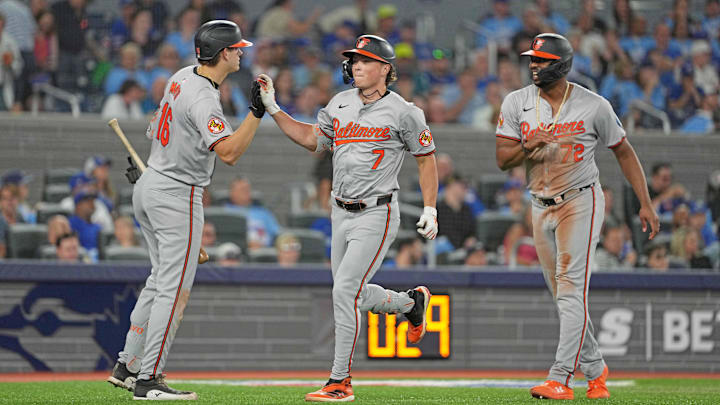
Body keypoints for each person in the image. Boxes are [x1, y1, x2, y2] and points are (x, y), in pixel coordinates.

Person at [256, 34, 437, 402]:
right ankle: (409, 304)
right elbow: (312, 140)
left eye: (366, 60)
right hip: (340, 209)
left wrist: (431, 207)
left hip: (377, 211)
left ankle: (340, 381)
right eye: (354, 59)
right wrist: (274, 107)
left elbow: (426, 157)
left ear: (385, 68)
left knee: (344, 291)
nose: (357, 65)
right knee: (349, 293)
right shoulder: (339, 103)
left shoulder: (404, 110)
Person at [106, 20, 266, 400]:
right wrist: (256, 114)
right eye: (236, 48)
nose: (241, 52)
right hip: (176, 193)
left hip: (152, 182)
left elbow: (154, 128)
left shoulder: (180, 76)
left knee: (160, 280)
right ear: (222, 53)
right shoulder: (205, 97)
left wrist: (158, 163)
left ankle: (128, 364)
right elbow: (228, 152)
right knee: (174, 290)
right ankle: (149, 379)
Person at [495, 33, 660, 400]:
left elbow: (624, 151)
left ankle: (561, 378)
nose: (534, 65)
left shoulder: (594, 105)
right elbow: (502, 160)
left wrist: (645, 202)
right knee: (563, 297)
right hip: (539, 205)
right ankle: (596, 369)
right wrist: (528, 145)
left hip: (580, 200)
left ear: (561, 64)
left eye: (542, 60)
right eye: (532, 60)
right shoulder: (517, 102)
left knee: (570, 291)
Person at [224, 177, 281, 250]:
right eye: (242, 189)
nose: (246, 192)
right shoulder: (224, 212)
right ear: (232, 193)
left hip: (264, 253)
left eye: (247, 189)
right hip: (235, 252)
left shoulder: (263, 212)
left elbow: (277, 233)